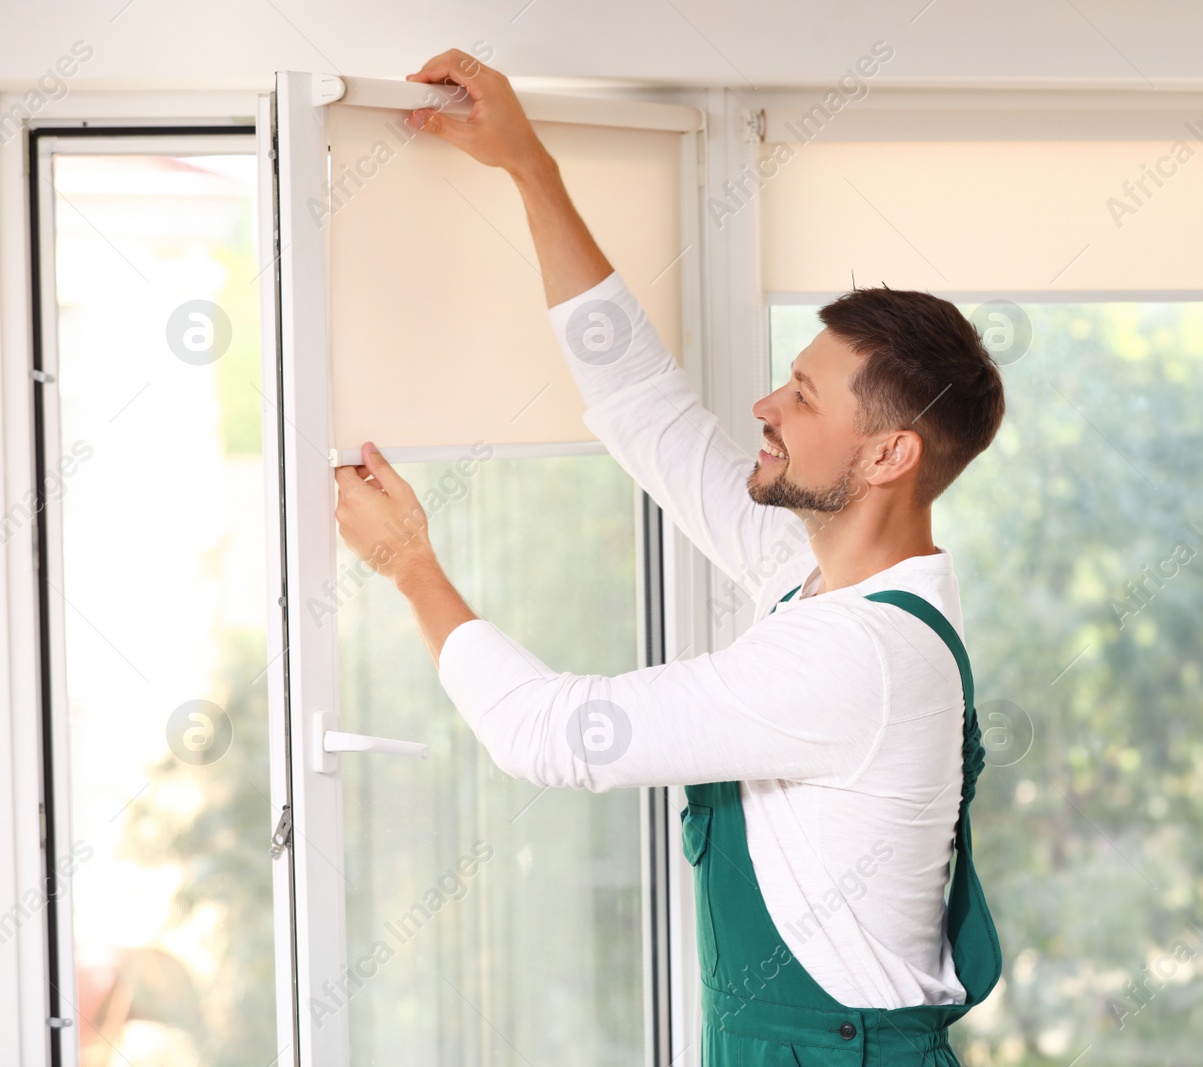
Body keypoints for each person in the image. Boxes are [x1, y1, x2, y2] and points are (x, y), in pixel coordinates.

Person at [332, 48, 1006, 1066]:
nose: (765, 407)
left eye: (803, 396)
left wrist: (410, 566)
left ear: (887, 454)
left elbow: (550, 733)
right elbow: (643, 409)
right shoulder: (812, 574)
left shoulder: (854, 658)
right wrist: (528, 167)